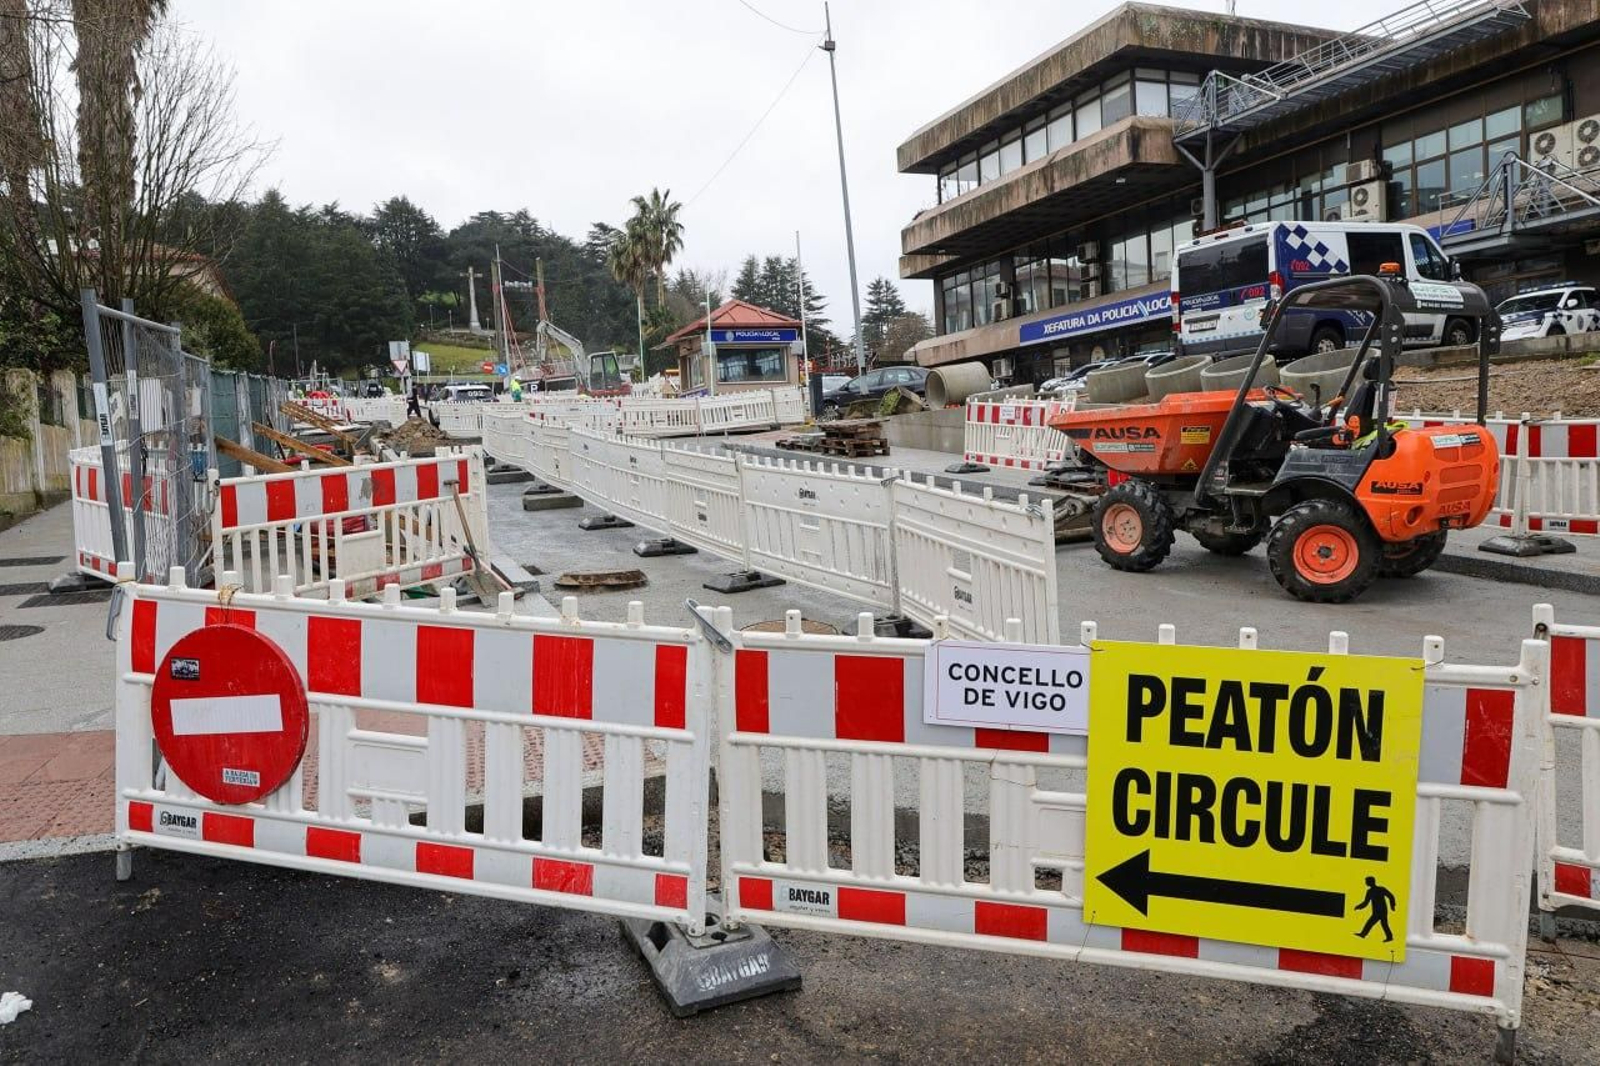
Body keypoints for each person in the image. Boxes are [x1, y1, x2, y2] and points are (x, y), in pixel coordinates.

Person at [1354, 876, 1396, 942]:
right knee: (1382, 924)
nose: (1366, 883)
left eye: (1366, 881)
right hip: (1376, 911)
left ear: (1371, 882)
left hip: (1382, 910)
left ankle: (1363, 934)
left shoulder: (1381, 889)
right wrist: (1358, 907)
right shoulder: (1369, 892)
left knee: (1373, 923)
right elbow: (1365, 903)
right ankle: (1389, 937)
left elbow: (1391, 896)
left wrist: (1392, 905)